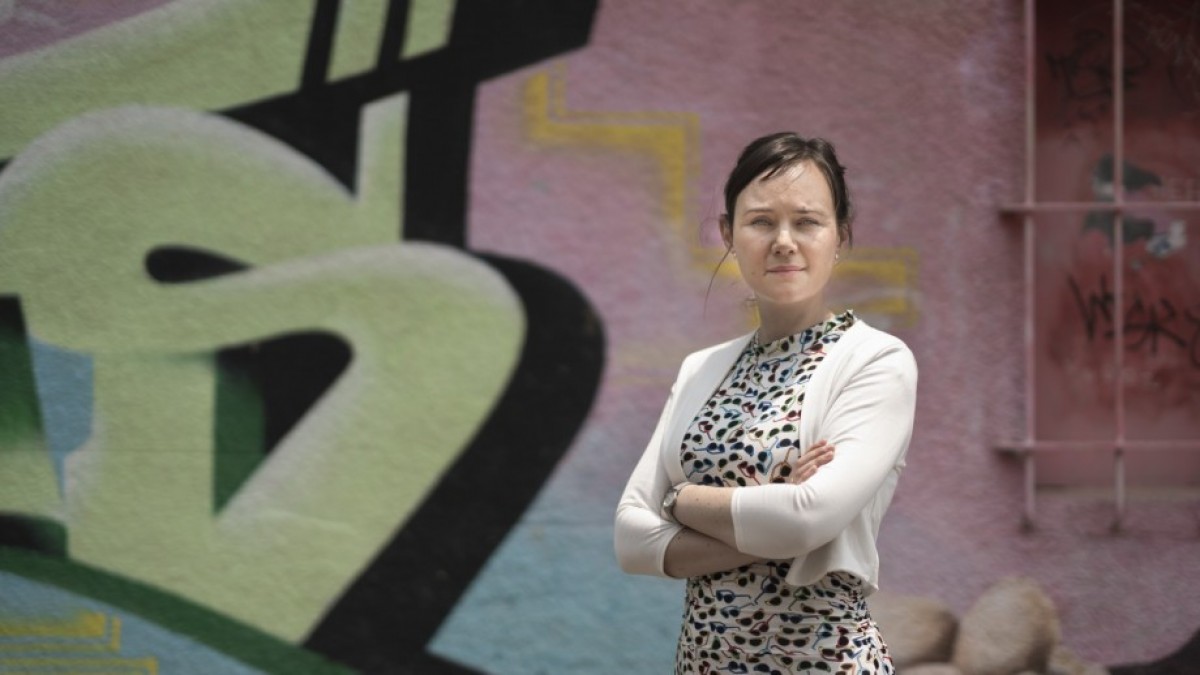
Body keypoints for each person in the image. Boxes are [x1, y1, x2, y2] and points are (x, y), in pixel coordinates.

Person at [614, 132, 917, 674]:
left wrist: (680, 503)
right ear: (729, 234)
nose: (783, 241)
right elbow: (632, 540)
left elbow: (807, 519)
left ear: (840, 235)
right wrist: (774, 511)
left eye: (807, 221)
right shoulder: (700, 369)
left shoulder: (875, 361)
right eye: (760, 222)